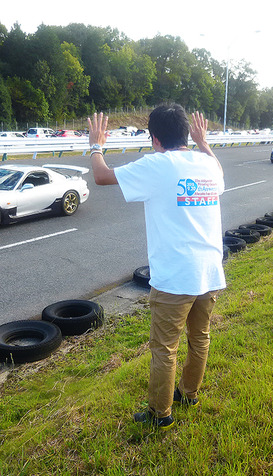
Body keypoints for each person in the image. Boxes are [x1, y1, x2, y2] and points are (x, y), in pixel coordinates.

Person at [87, 105, 226, 430]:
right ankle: (188, 394)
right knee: (200, 337)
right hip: (209, 271)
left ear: (154, 138)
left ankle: (159, 414)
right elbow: (218, 172)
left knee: (165, 348)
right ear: (187, 134)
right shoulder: (206, 162)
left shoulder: (157, 164)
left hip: (175, 277)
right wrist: (203, 142)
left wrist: (96, 145)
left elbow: (101, 175)